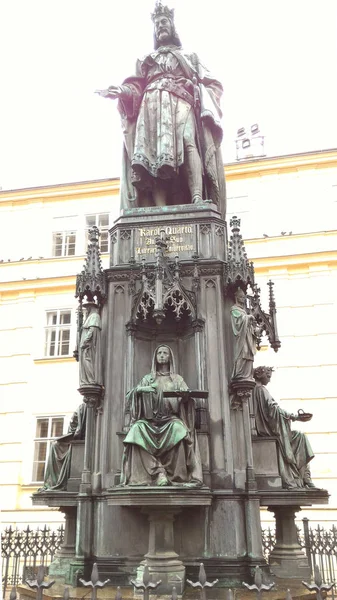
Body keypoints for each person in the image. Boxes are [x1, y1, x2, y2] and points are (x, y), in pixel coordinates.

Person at [97, 3, 226, 215]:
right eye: (156, 24)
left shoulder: (190, 57)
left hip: (180, 100)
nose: (160, 27)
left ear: (173, 25)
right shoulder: (146, 60)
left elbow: (214, 85)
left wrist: (196, 88)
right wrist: (121, 91)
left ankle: (196, 196)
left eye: (163, 22)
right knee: (153, 153)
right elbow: (135, 86)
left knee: (188, 141)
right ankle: (158, 211)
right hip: (151, 107)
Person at [120, 345, 202, 486]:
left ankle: (177, 476)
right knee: (136, 430)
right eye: (159, 353)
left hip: (170, 419)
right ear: (155, 357)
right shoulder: (147, 379)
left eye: (165, 353)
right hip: (149, 421)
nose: (162, 355)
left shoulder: (177, 379)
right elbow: (130, 396)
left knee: (179, 430)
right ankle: (158, 472)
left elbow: (187, 401)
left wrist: (186, 398)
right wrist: (140, 389)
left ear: (170, 357)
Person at [252, 366, 316, 489]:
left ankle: (304, 477)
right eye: (268, 376)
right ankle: (303, 478)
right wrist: (295, 417)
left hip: (268, 428)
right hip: (269, 429)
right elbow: (274, 411)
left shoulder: (256, 389)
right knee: (300, 438)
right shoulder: (260, 389)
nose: (269, 380)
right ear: (260, 375)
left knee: (300, 437)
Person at [39, 403, 87, 491]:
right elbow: (74, 426)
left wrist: (75, 433)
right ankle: (54, 480)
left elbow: (75, 428)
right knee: (55, 445)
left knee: (56, 446)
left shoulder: (83, 407)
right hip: (80, 440)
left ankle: (56, 481)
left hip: (84, 441)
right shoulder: (82, 408)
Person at [230, 287, 259, 382]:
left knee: (249, 355)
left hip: (248, 337)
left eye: (244, 297)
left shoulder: (244, 311)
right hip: (241, 338)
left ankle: (248, 375)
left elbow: (248, 323)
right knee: (243, 353)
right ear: (236, 297)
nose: (243, 299)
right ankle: (240, 374)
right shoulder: (234, 309)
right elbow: (237, 323)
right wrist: (247, 318)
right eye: (241, 297)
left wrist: (253, 326)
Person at [79, 302, 103, 388]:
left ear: (92, 307)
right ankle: (87, 380)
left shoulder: (94, 316)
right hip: (86, 345)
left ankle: (91, 379)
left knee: (88, 360)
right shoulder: (90, 316)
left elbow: (92, 329)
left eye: (88, 307)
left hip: (88, 346)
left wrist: (85, 341)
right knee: (86, 361)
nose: (87, 309)